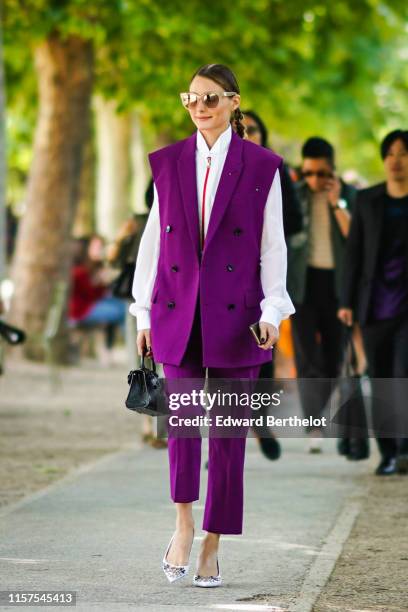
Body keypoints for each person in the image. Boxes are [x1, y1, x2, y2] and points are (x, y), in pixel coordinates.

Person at [129, 63, 294, 587]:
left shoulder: (263, 166)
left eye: (210, 98)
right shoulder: (168, 162)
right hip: (176, 311)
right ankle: (182, 525)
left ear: (233, 102)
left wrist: (272, 311)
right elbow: (154, 241)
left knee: (227, 436)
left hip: (237, 317)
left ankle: (213, 546)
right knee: (180, 428)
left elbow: (274, 246)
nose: (199, 107)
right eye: (191, 99)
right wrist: (142, 310)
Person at [338, 129, 408, 476]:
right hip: (375, 307)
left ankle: (405, 447)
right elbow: (353, 254)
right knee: (380, 379)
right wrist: (347, 300)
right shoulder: (368, 200)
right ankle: (390, 452)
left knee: (402, 372)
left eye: (403, 153)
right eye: (390, 153)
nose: (396, 160)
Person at [286, 137, 356, 452]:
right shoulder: (293, 196)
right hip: (302, 284)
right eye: (309, 173)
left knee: (334, 357)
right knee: (306, 357)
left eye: (322, 173)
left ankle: (321, 412)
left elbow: (356, 238)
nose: (315, 179)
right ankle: (313, 423)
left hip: (338, 286)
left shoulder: (350, 196)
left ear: (333, 170)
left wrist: (336, 202)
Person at [242, 110, 302, 460]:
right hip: (218, 279)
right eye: (242, 129)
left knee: (262, 351)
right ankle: (226, 434)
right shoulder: (206, 165)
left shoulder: (275, 168)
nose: (247, 134)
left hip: (264, 275)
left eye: (253, 130)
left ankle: (260, 420)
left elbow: (292, 220)